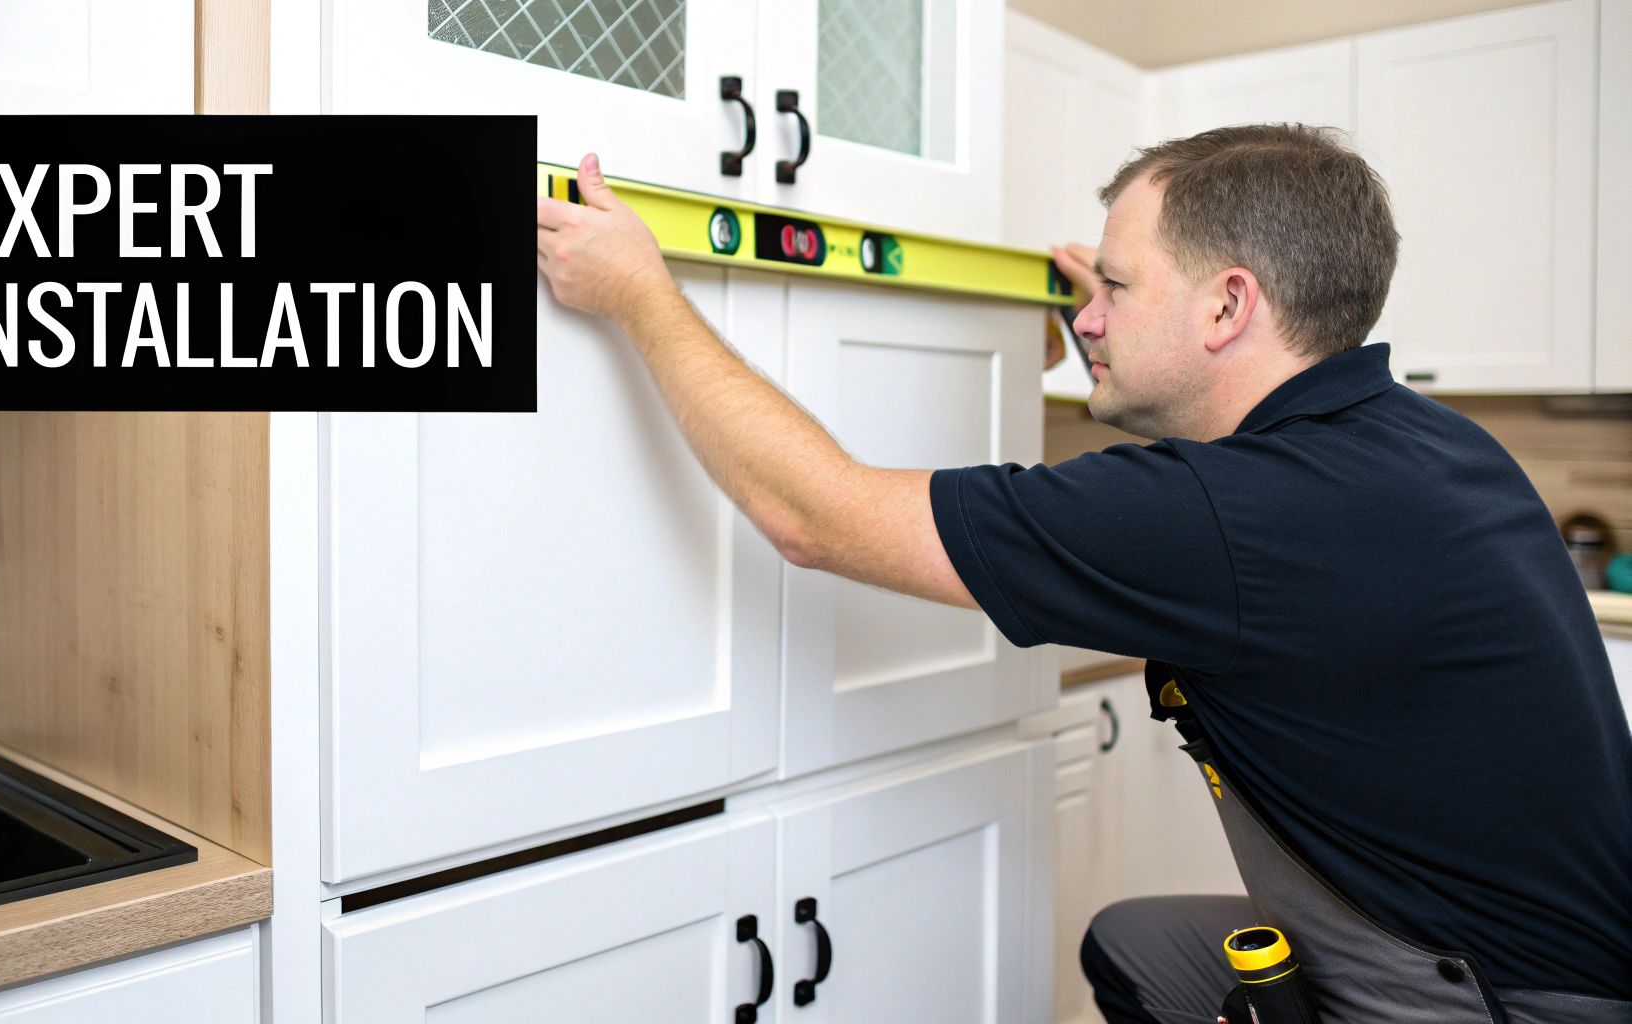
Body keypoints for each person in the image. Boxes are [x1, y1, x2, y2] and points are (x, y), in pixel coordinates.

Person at [534, 125, 1632, 1023]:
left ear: (1226, 307)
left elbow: (812, 516)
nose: (1089, 317)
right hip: (1562, 955)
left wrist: (640, 294)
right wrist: (1121, 339)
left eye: (1116, 286)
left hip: (1493, 1002)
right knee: (1138, 948)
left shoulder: (1230, 515)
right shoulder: (1421, 443)